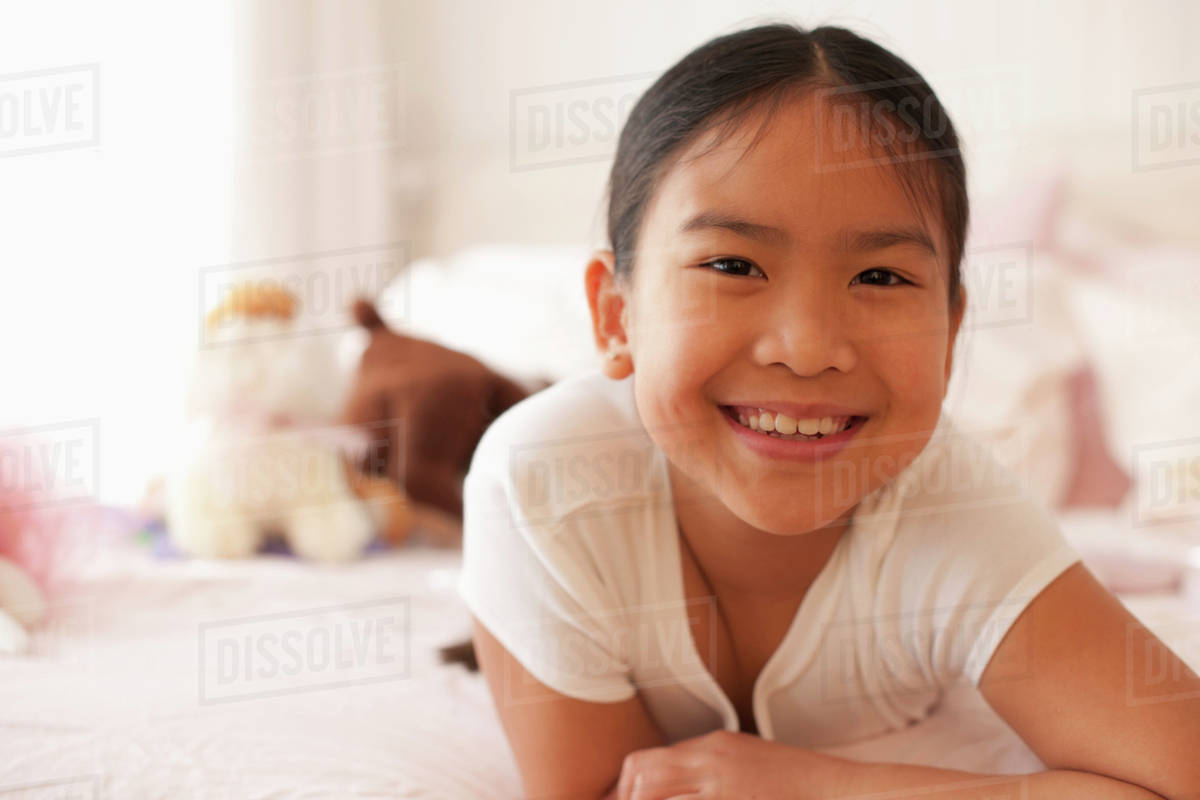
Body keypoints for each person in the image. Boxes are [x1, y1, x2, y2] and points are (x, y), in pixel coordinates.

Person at [457, 22, 1200, 800]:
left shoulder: (954, 509)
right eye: (732, 265)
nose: (808, 348)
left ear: (951, 335)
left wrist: (820, 785)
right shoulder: (542, 480)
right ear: (616, 317)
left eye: (880, 277)